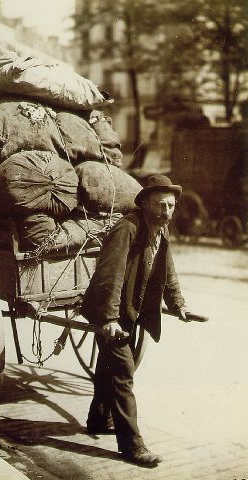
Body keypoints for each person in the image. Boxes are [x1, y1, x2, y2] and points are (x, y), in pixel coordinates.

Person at [80, 174, 190, 468]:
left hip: (129, 310)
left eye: (171, 206)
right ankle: (132, 445)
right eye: (160, 205)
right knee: (123, 370)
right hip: (112, 310)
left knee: (109, 365)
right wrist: (108, 319)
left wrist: (178, 305)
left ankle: (98, 419)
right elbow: (110, 274)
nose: (166, 212)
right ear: (144, 204)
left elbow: (167, 271)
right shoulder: (127, 228)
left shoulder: (159, 232)